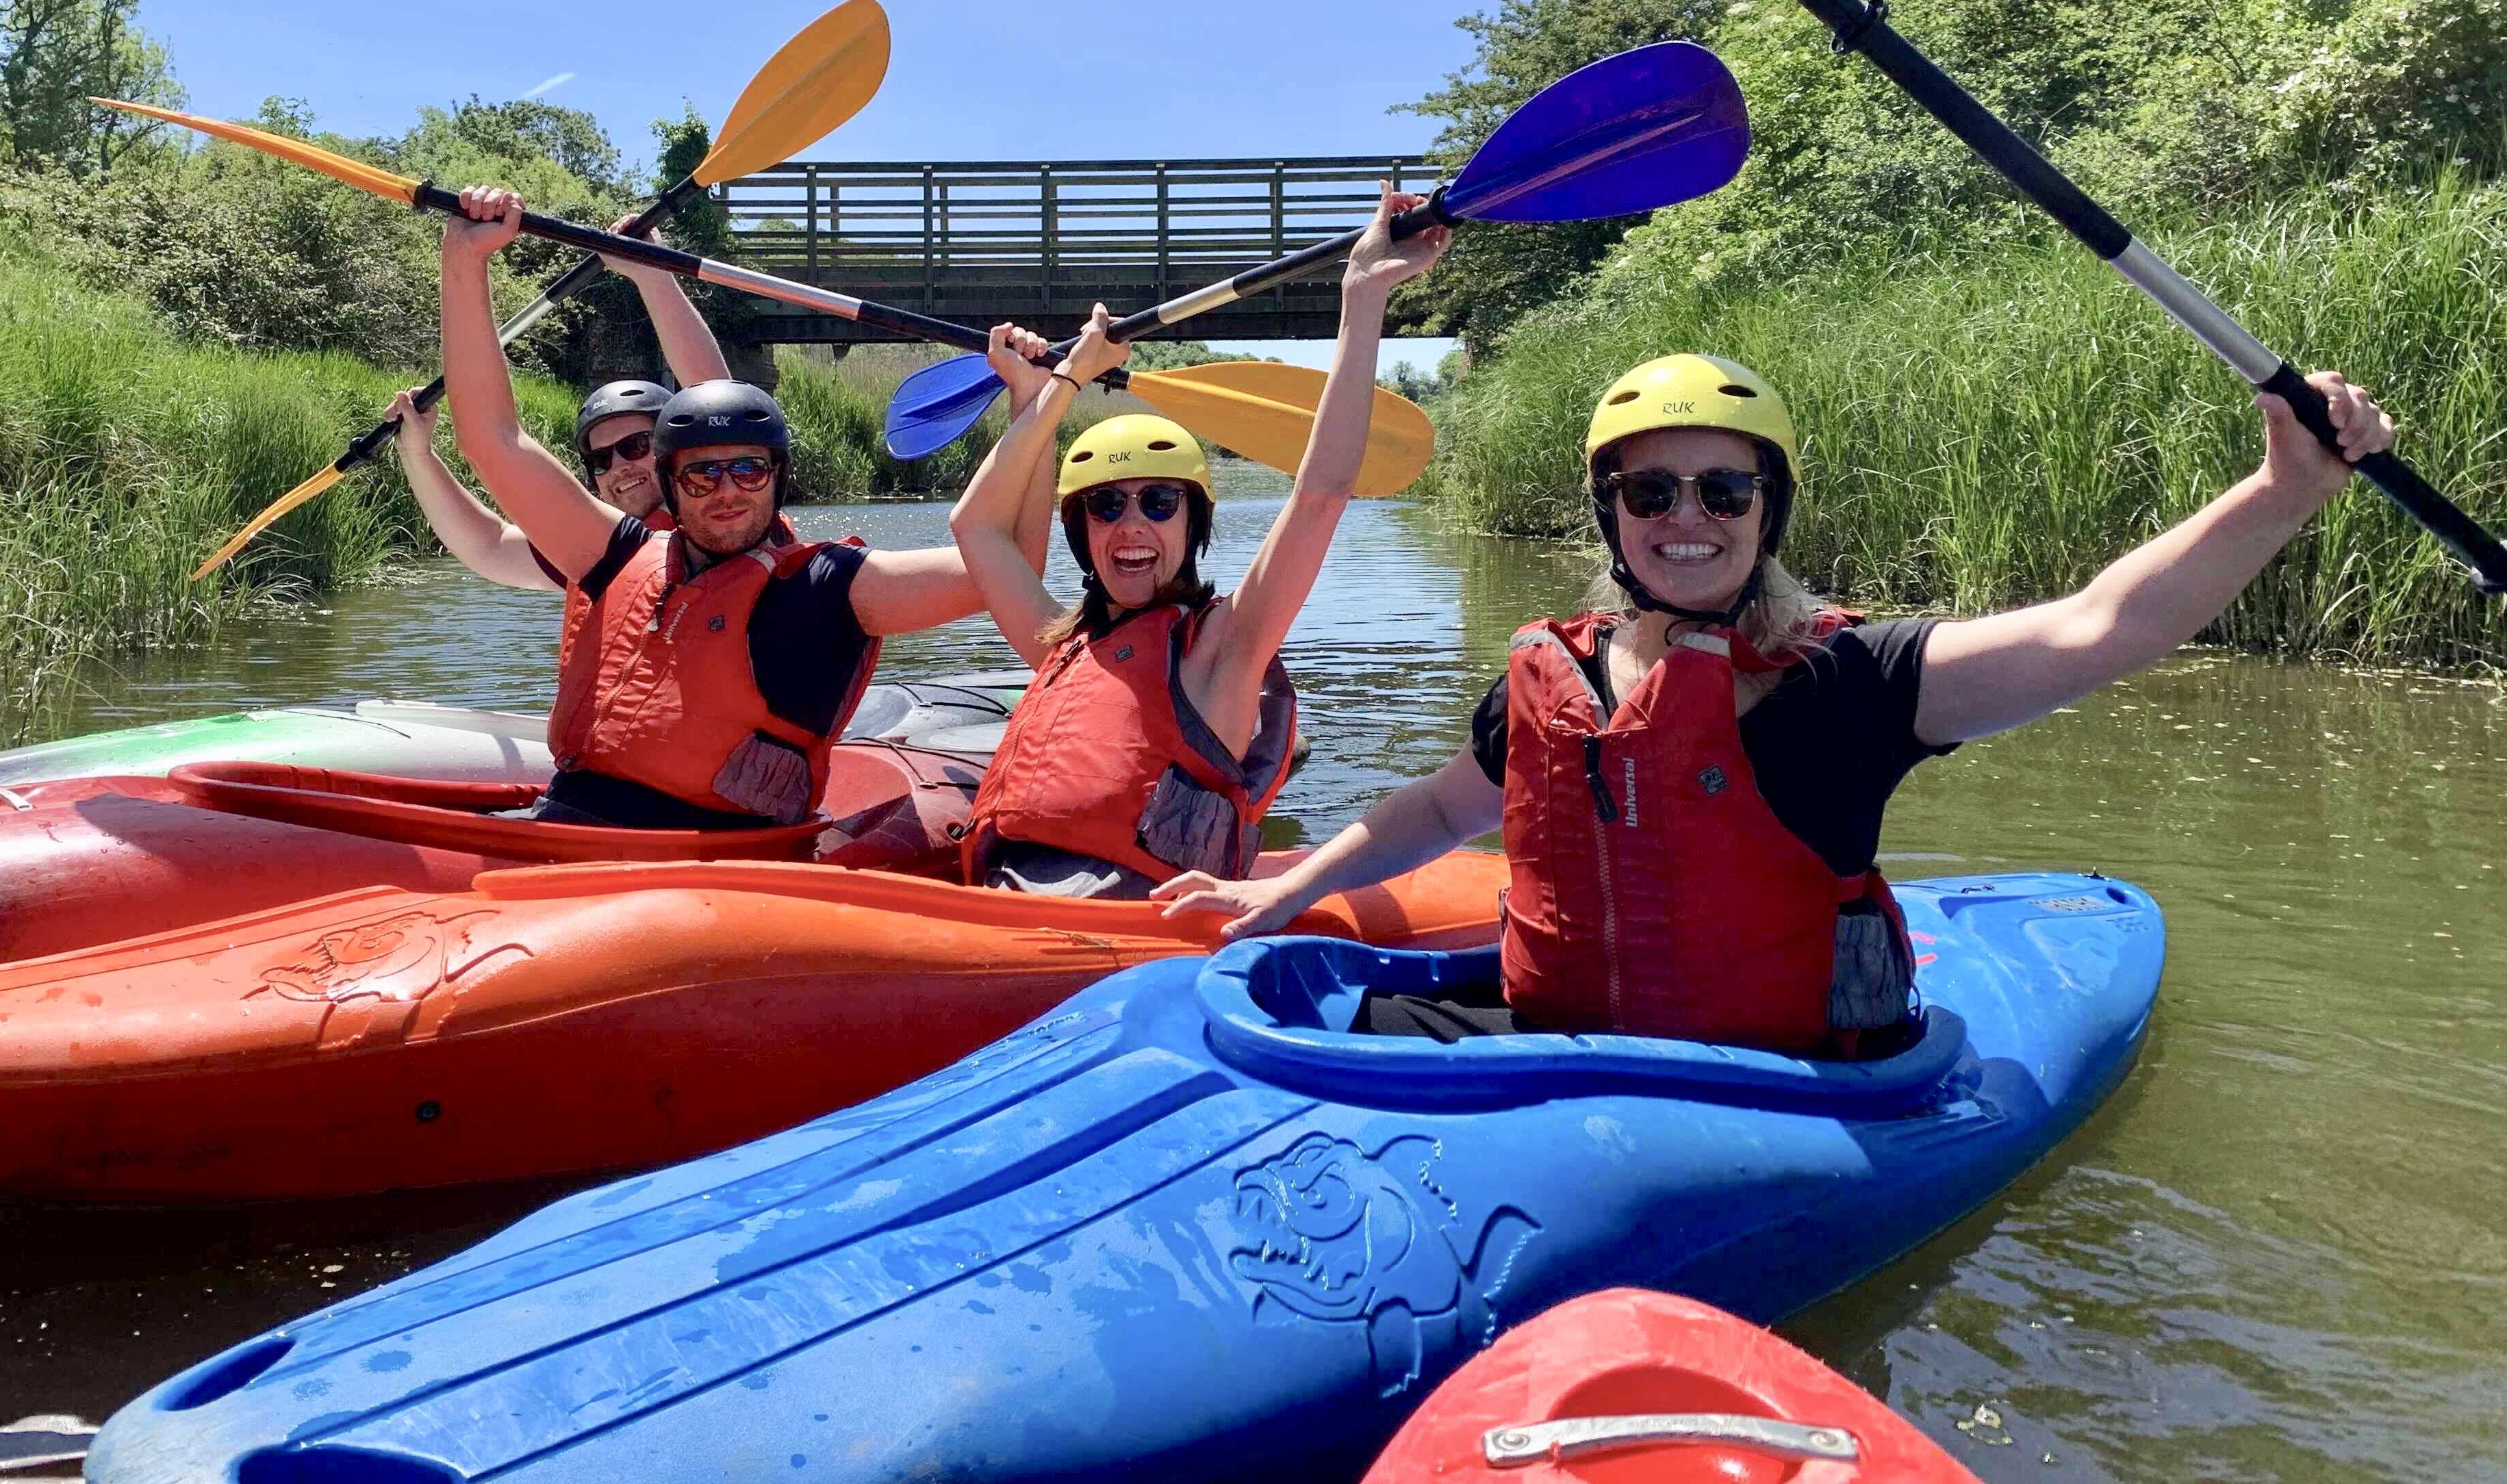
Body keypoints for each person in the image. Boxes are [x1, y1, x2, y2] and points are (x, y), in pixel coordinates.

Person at [1158, 350, 2397, 1056]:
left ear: (1768, 510)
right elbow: (1440, 804)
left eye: (1721, 489)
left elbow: (2099, 627)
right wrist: (1282, 886)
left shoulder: (1846, 682)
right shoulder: (1551, 675)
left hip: (1773, 1085)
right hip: (1547, 1062)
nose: (1685, 518)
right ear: (1610, 514)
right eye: (1650, 492)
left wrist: (2282, 491)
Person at [438, 184, 1048, 832]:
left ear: (777, 478)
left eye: (749, 470)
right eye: (701, 476)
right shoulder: (615, 554)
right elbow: (494, 440)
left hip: (718, 861)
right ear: (670, 486)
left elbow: (1010, 565)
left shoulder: (829, 590)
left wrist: (1034, 402)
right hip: (567, 821)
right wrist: (464, 261)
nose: (728, 490)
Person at [947, 188, 1449, 898]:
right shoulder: (1057, 646)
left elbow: (1320, 494)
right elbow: (974, 526)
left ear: (1194, 524)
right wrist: (1046, 389)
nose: (1131, 526)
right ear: (1082, 532)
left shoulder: (1224, 652)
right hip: (999, 917)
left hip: (1131, 944)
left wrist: (1362, 294)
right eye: (1104, 506)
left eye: (1158, 503)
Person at [382, 219, 732, 591]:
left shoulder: (730, 522)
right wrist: (419, 456)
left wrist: (654, 275)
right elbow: (490, 544)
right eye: (601, 460)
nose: (620, 467)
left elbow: (721, 406)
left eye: (635, 446)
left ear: (674, 454)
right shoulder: (599, 552)